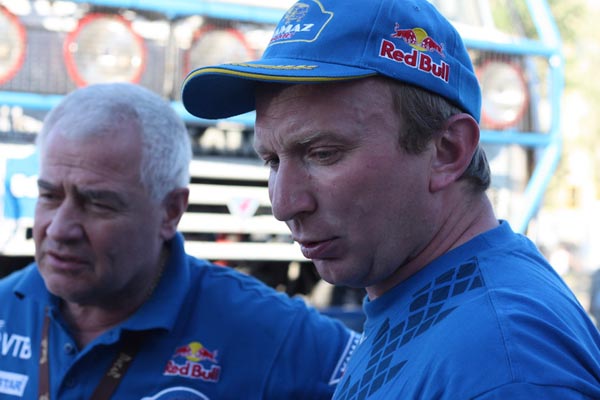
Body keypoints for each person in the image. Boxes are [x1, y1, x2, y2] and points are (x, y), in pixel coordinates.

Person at [180, 0, 600, 398]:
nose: (283, 205)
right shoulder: (431, 305)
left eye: (323, 154)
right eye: (272, 160)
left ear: (447, 150)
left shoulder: (503, 365)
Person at [0, 82, 360, 400]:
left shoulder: (271, 332)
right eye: (49, 196)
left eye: (97, 203)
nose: (59, 229)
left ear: (170, 211)